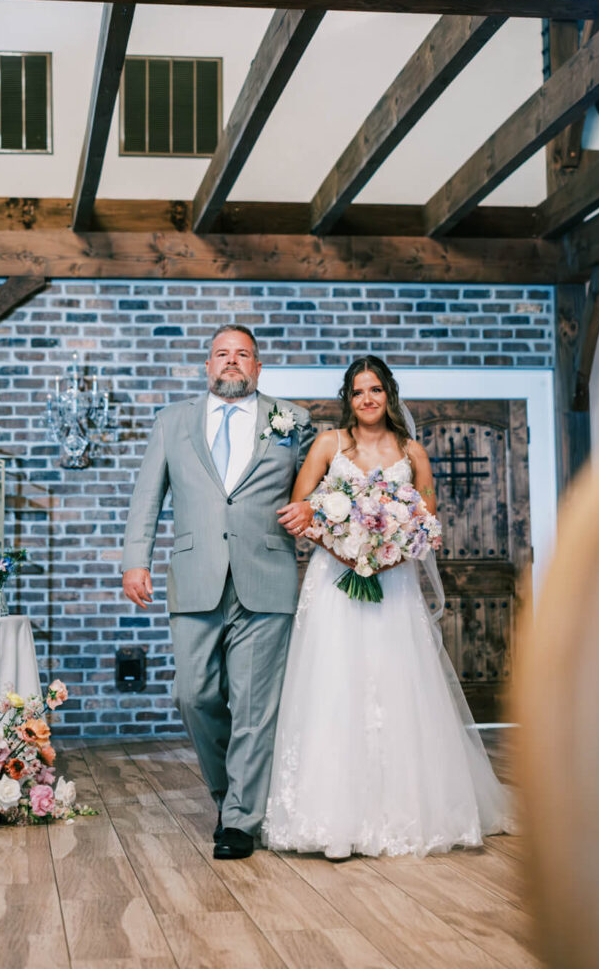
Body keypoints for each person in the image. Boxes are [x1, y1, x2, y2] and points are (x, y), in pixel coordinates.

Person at [263, 355, 514, 859]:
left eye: (375, 390)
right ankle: (331, 819)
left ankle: (403, 813)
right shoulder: (329, 445)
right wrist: (349, 551)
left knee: (396, 686)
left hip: (393, 583)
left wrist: (382, 553)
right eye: (358, 392)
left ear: (389, 394)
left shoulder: (413, 452)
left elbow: (424, 522)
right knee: (335, 687)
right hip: (335, 579)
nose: (367, 400)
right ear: (348, 399)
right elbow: (302, 510)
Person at [122, 324, 314, 859]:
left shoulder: (293, 421)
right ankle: (230, 793)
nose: (231, 362)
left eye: (243, 355)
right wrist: (135, 561)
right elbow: (147, 497)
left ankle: (239, 821)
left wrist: (315, 509)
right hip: (195, 577)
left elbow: (319, 488)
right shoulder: (172, 421)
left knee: (255, 705)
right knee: (195, 695)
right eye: (221, 354)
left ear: (258, 368)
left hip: (267, 577)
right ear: (207, 366)